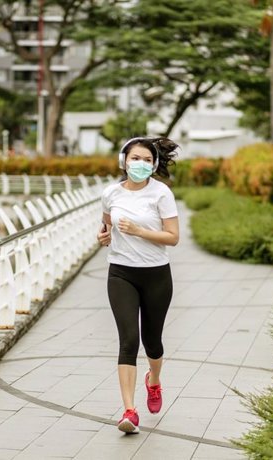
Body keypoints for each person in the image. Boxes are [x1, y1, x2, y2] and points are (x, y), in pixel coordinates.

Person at [97, 136, 179, 434]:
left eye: (147, 160)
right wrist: (103, 236)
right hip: (121, 273)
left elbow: (173, 237)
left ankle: (153, 381)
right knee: (129, 340)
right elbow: (105, 225)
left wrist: (140, 231)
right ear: (124, 161)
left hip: (156, 274)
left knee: (152, 342)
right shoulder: (111, 193)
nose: (140, 164)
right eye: (135, 158)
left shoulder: (161, 193)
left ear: (154, 164)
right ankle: (130, 411)